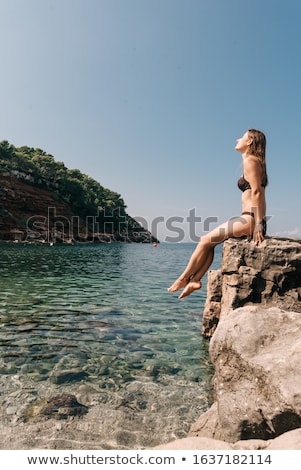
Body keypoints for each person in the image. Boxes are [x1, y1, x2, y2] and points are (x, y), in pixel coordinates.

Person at [168, 128, 268, 299]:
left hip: (250, 219)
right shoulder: (255, 162)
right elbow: (260, 194)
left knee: (205, 240)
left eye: (242, 137)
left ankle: (184, 278)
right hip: (250, 218)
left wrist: (258, 223)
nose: (238, 139)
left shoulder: (251, 160)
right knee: (211, 242)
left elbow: (257, 192)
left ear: (250, 141)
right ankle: (195, 280)